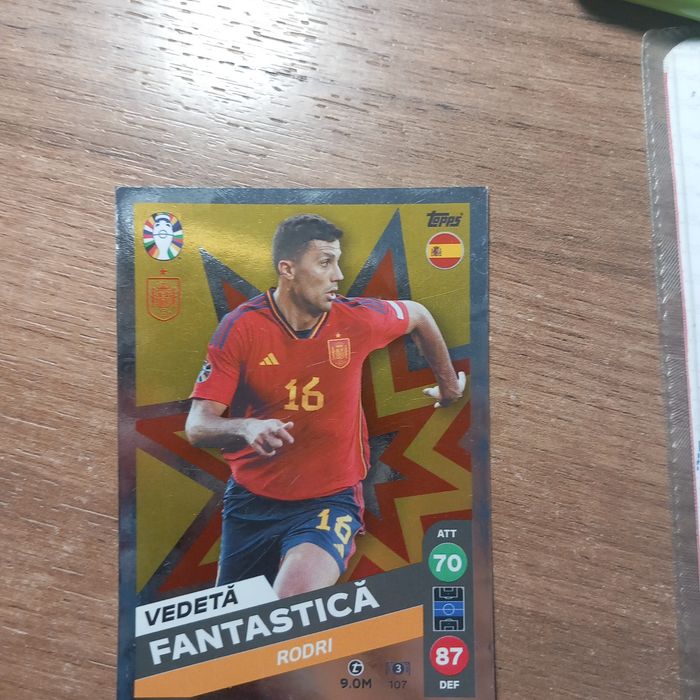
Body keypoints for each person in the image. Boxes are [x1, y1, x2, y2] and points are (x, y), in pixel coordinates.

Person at [185, 214, 465, 598]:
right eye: (324, 262)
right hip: (250, 503)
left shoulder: (356, 319)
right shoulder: (241, 328)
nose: (338, 275)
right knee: (235, 626)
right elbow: (197, 425)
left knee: (286, 606)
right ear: (288, 269)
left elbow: (417, 315)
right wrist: (245, 427)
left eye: (338, 262)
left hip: (329, 501)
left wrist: (449, 387)